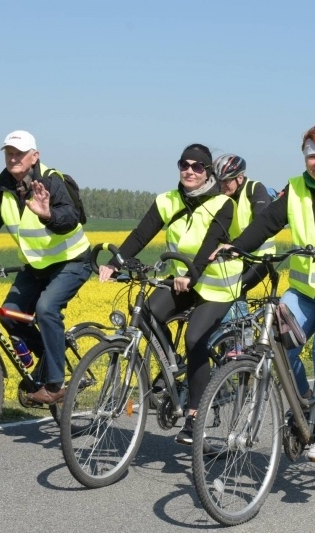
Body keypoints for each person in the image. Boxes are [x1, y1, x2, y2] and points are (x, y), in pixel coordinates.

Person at [214, 122, 315, 461]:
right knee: (277, 345)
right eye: (311, 156)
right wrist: (237, 246)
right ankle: (306, 402)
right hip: (305, 292)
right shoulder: (295, 189)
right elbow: (267, 223)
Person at [98, 143, 242, 445]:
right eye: (184, 165)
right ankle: (172, 363)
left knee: (195, 338)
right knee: (148, 312)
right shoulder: (167, 201)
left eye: (197, 166)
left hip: (217, 284)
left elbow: (210, 243)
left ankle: (194, 417)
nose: (189, 171)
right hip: (183, 280)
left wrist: (192, 274)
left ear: (208, 172)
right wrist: (115, 263)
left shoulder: (222, 204)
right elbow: (141, 234)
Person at [0, 130, 92, 405]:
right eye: (9, 153)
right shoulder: (1, 187)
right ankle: (50, 360)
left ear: (34, 156)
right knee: (10, 316)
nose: (13, 158)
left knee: (46, 308)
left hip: (72, 261)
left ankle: (55, 384)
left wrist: (48, 214)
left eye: (19, 154)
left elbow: (70, 218)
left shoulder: (52, 181)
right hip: (36, 266)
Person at [213, 153, 276, 294]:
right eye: (219, 181)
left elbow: (261, 222)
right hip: (233, 256)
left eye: (226, 181)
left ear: (240, 177)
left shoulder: (255, 189)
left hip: (259, 258)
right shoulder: (220, 196)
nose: (222, 185)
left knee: (236, 290)